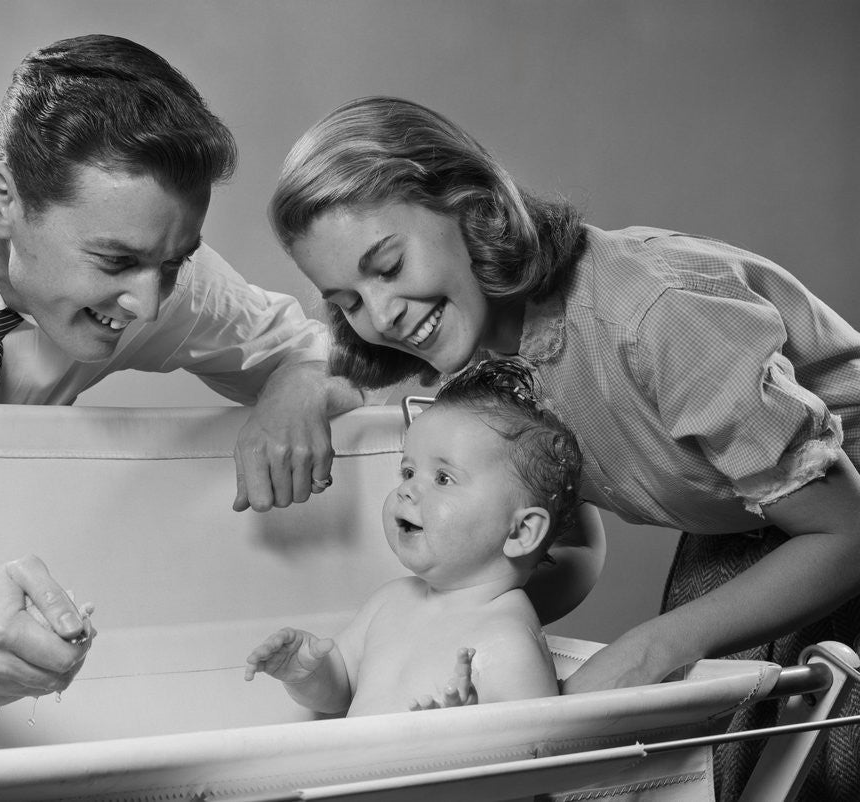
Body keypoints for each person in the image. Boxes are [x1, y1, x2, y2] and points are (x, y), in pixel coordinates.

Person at [268, 95, 860, 799]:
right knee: (720, 772)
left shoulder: (655, 314)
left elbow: (846, 532)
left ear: (471, 205)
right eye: (347, 302)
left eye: (389, 265)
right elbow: (567, 545)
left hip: (837, 511)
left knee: (828, 763)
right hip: (743, 517)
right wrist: (451, 624)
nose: (383, 314)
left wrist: (656, 641)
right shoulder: (476, 347)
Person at [0, 35, 363, 710]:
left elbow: (324, 352)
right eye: (115, 263)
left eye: (171, 265)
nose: (148, 304)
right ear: (1, 200)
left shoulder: (153, 270)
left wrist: (298, 380)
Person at [245, 359, 577, 715]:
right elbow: (341, 690)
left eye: (443, 478)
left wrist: (466, 735)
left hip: (423, 771)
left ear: (520, 531)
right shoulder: (390, 602)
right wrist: (308, 675)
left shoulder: (508, 643)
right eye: (408, 471)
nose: (407, 490)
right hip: (357, 770)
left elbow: (539, 754)